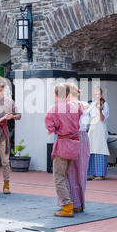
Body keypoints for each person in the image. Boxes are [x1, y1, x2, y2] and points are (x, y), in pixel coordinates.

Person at [45, 83, 82, 217]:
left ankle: (66, 207)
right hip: (75, 144)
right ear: (67, 94)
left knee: (59, 178)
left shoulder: (53, 109)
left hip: (63, 145)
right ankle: (71, 204)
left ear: (55, 95)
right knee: (65, 176)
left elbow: (50, 130)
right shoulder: (76, 107)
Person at [64, 82, 90, 213]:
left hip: (72, 137)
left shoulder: (69, 106)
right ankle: (79, 203)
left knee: (70, 172)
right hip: (83, 137)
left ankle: (73, 203)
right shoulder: (84, 105)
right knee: (80, 172)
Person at [87, 86, 110, 181]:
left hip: (100, 129)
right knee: (91, 149)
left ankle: (101, 174)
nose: (97, 96)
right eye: (95, 94)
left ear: (101, 94)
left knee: (100, 149)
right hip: (92, 128)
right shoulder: (92, 104)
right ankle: (93, 173)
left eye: (98, 94)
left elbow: (102, 118)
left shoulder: (104, 104)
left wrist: (100, 109)